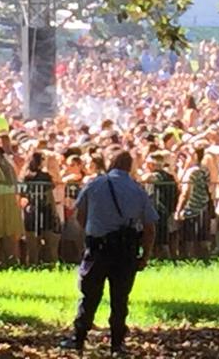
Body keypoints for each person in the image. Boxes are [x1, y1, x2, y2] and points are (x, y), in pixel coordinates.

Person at [61, 149, 157, 355]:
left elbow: (80, 214)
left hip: (98, 248)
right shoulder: (137, 190)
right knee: (120, 298)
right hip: (126, 250)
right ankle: (117, 343)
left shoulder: (95, 184)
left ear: (112, 163)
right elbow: (150, 228)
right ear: (129, 167)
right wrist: (145, 256)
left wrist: (89, 232)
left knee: (89, 294)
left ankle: (78, 338)